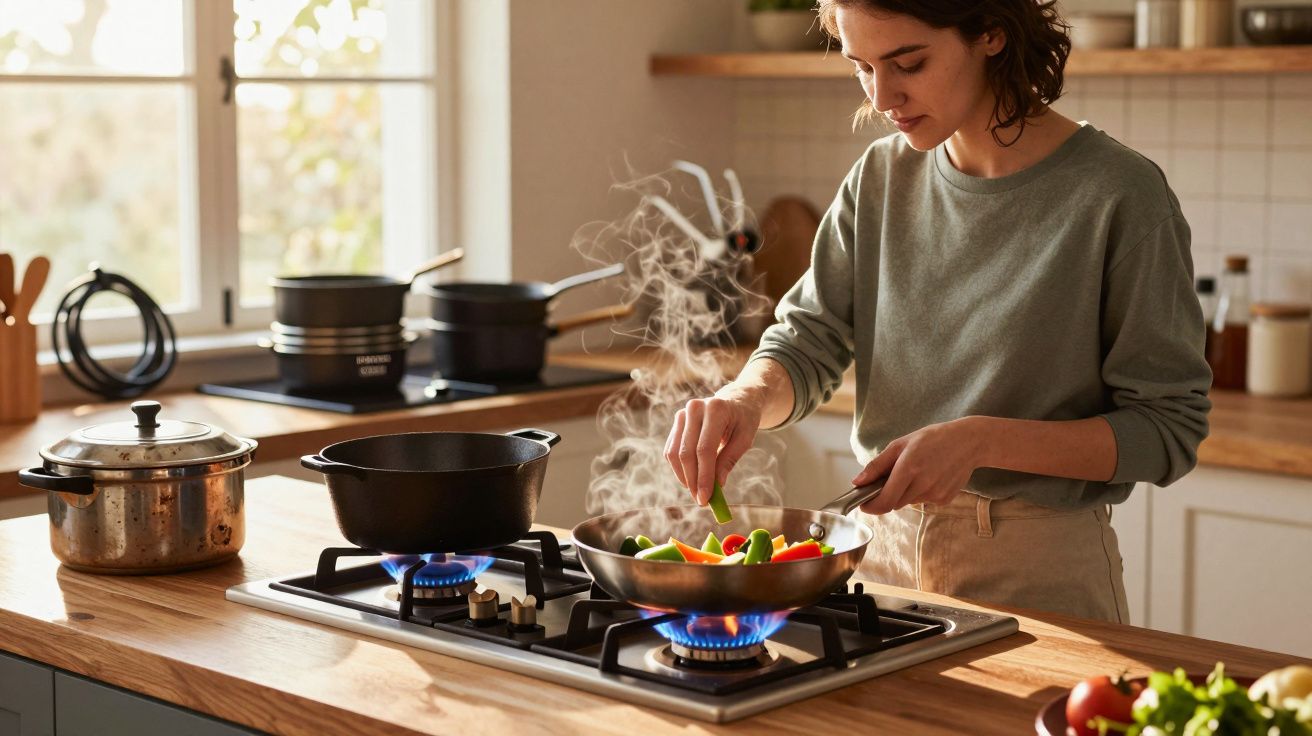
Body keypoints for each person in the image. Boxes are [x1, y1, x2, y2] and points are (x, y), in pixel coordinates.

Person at [662, 0, 1211, 623]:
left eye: (908, 63)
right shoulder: (879, 177)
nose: (884, 95)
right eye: (862, 66)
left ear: (992, 34)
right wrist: (745, 399)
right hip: (878, 558)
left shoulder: (1120, 195)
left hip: (1039, 570)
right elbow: (807, 340)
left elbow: (1167, 430)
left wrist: (979, 441)